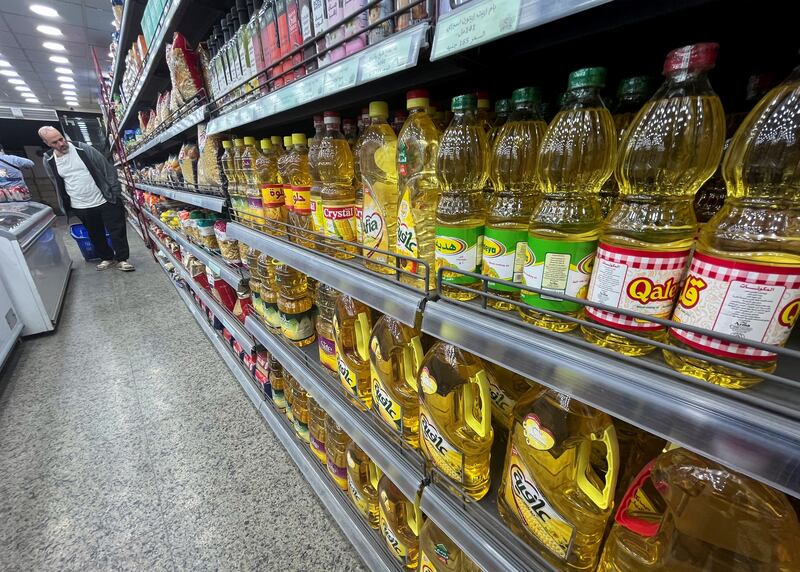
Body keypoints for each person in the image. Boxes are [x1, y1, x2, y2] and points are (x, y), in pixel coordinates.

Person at [39, 126, 134, 271]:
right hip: (79, 204)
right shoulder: (49, 159)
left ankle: (122, 259)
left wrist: (115, 193)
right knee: (95, 234)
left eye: (61, 139)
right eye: (55, 143)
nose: (60, 144)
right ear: (47, 143)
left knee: (117, 231)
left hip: (104, 199)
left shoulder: (82, 149)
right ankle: (107, 258)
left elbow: (106, 169)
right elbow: (55, 180)